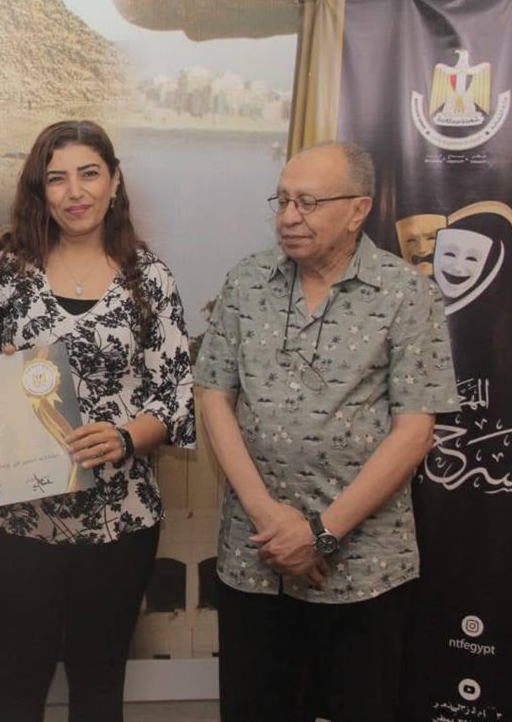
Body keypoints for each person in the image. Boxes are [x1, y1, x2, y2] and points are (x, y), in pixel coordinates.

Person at [194, 141, 459, 722]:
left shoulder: (406, 293)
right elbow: (214, 396)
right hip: (256, 557)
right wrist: (269, 517)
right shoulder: (247, 281)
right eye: (283, 200)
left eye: (308, 203)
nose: (289, 217)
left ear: (358, 210)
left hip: (364, 568)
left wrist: (322, 534)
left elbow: (415, 431)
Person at [0, 120, 195, 722]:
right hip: (19, 518)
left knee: (99, 682)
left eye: (89, 174)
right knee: (17, 678)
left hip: (121, 518)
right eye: (57, 178)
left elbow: (174, 398)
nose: (75, 191)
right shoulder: (6, 273)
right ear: (40, 191)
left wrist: (124, 437)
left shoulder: (151, 278)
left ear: (114, 181)